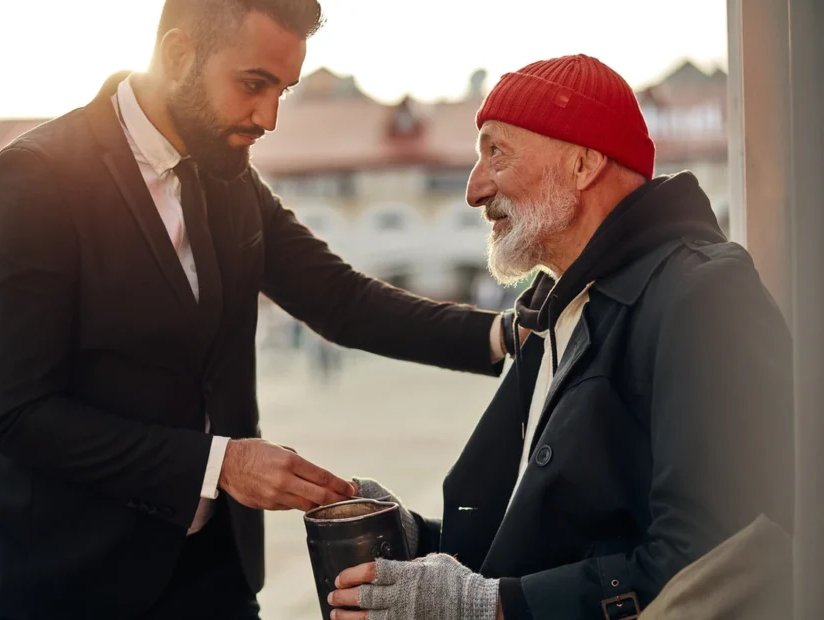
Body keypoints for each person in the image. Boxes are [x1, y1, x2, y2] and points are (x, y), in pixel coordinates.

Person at [0, 1, 508, 618]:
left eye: (284, 91)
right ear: (177, 56)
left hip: (212, 577)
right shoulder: (36, 178)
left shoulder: (229, 179)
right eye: (253, 84)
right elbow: (23, 416)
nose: (268, 117)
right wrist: (222, 463)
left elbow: (342, 300)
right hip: (60, 583)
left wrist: (503, 334)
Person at [331, 54, 793, 620]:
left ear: (583, 163)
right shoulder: (561, 306)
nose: (474, 190)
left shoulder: (703, 293)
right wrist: (409, 540)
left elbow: (711, 557)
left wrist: (487, 606)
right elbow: (536, 540)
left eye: (495, 153)